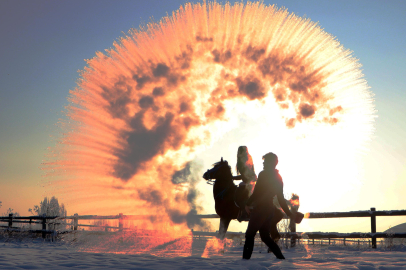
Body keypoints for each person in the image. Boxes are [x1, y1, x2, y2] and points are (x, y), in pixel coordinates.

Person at [242, 152, 295, 260]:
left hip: (260, 209)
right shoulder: (279, 178)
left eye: (265, 161)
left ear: (270, 163)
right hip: (269, 210)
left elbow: (257, 192)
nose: (263, 163)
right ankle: (281, 258)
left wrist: (247, 203)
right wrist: (289, 213)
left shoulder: (263, 174)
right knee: (265, 237)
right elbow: (280, 199)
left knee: (249, 234)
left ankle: (245, 261)